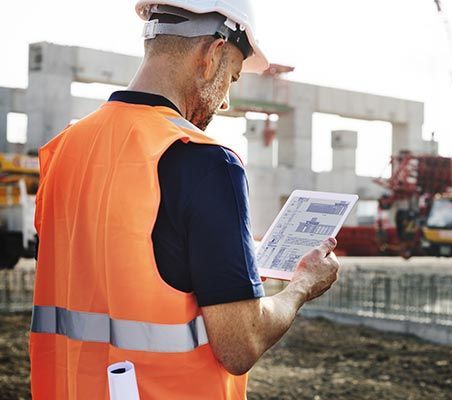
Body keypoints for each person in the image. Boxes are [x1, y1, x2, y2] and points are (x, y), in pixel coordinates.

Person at [29, 1, 340, 399]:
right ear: (212, 56)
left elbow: (115, 267)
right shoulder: (206, 162)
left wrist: (236, 257)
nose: (225, 101)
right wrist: (302, 285)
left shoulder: (65, 149)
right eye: (233, 76)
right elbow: (239, 344)